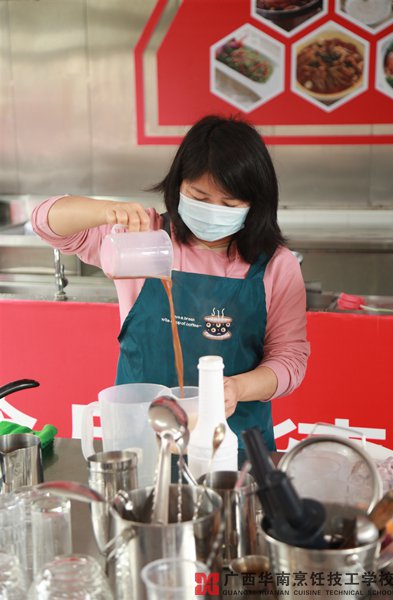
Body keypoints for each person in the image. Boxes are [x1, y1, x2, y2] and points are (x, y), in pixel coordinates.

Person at [32, 114, 310, 454]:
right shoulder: (142, 237)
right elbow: (44, 221)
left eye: (229, 204)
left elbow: (289, 359)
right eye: (200, 197)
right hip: (142, 439)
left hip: (232, 444)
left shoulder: (275, 265)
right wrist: (106, 211)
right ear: (178, 185)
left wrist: (238, 388)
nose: (213, 210)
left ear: (255, 203)